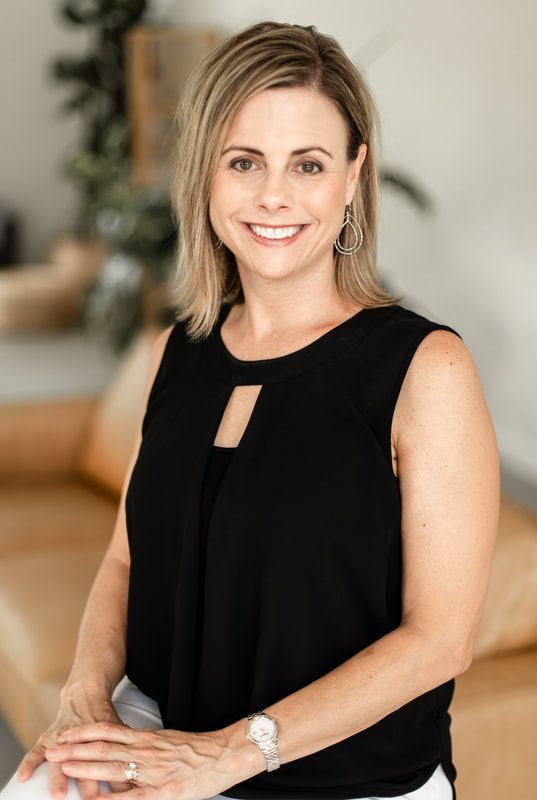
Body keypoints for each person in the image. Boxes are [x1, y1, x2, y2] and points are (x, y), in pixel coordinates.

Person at [1, 20, 500, 800]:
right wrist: (83, 695)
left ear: (350, 177)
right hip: (157, 733)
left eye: (307, 164)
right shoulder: (183, 350)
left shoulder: (422, 367)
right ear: (205, 175)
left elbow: (438, 641)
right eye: (244, 161)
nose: (274, 195)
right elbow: (127, 557)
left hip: (343, 774)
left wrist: (229, 755)